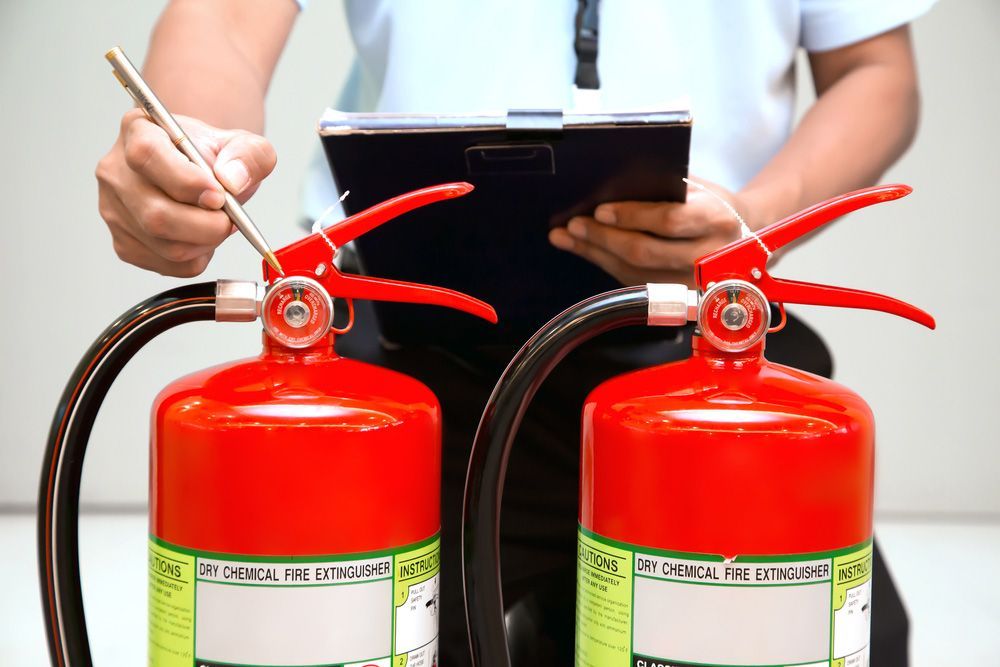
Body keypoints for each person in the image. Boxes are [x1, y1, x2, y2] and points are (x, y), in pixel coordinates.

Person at [96, 1, 934, 664]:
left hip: (699, 355)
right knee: (330, 634)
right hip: (405, 363)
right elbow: (223, 17)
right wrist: (196, 154)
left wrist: (757, 217)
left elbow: (874, 68)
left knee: (810, 642)